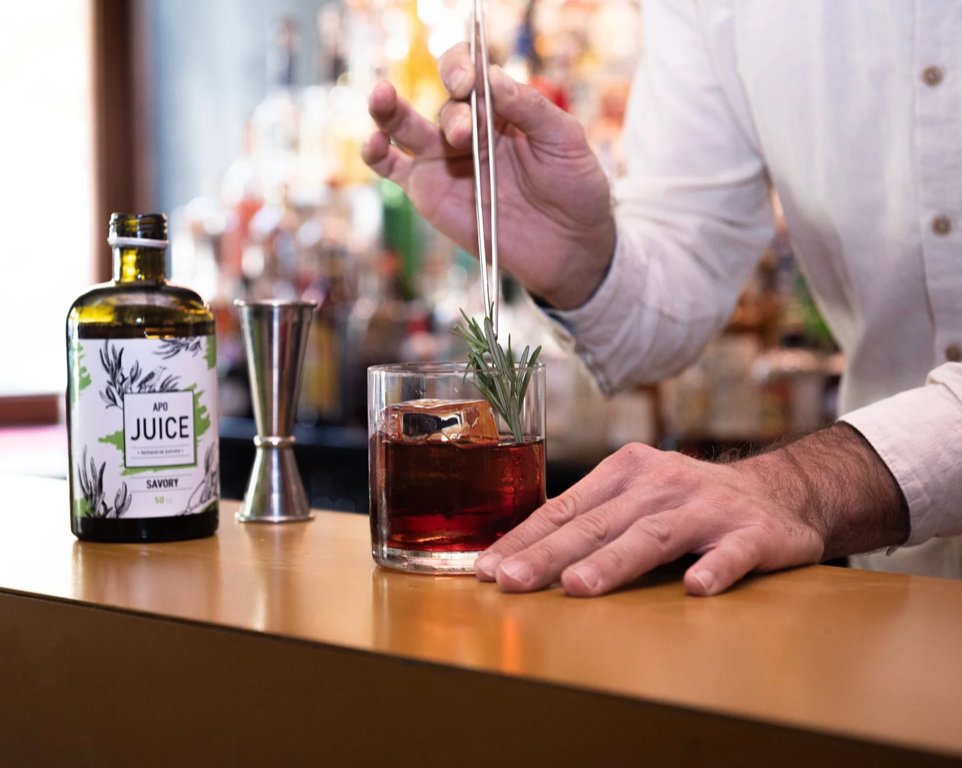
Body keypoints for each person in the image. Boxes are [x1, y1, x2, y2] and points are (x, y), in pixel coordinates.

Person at [361, 0, 962, 596]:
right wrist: (583, 264)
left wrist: (806, 484)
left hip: (855, 526)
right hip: (894, 586)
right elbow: (680, 280)